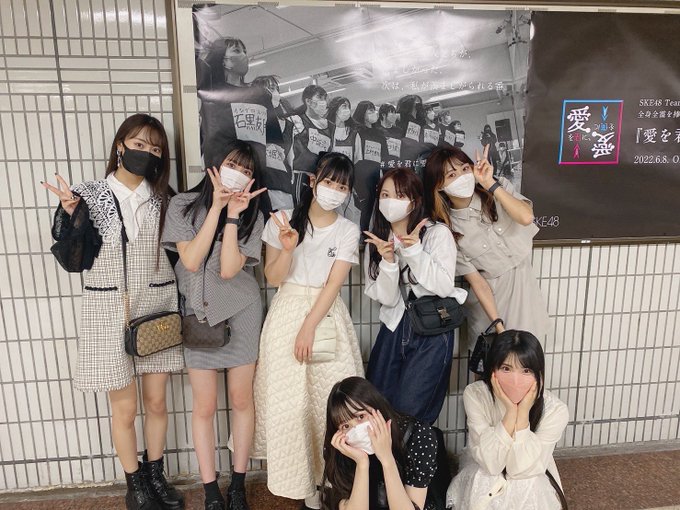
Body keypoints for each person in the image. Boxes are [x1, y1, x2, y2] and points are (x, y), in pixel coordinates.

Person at [41, 114, 184, 510]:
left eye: (155, 149)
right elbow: (75, 262)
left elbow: (180, 256)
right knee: (125, 408)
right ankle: (134, 485)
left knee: (157, 402)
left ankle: (156, 475)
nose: (147, 153)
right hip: (107, 309)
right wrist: (74, 218)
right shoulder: (87, 195)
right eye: (139, 144)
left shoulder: (166, 198)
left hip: (157, 307)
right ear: (120, 146)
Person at [252, 152, 364, 509]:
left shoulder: (347, 230)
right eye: (328, 181)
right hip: (286, 313)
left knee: (331, 401)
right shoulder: (283, 220)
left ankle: (333, 482)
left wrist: (309, 327)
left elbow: (334, 285)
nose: (334, 190)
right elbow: (273, 277)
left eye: (342, 186)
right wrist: (287, 249)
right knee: (292, 404)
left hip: (326, 315)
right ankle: (305, 488)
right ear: (313, 180)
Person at [162, 141, 266, 510]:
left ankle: (238, 485)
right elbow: (191, 261)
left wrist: (234, 216)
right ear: (216, 165)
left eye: (247, 170)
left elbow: (227, 269)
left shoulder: (253, 215)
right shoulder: (182, 205)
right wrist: (217, 209)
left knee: (241, 400)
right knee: (204, 406)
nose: (239, 173)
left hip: (242, 311)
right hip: (199, 315)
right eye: (233, 165)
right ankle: (210, 491)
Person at [363, 168, 467, 425]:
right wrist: (388, 261)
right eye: (385, 195)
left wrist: (414, 252)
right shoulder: (377, 241)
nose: (391, 201)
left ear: (415, 200)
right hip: (393, 327)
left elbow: (442, 286)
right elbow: (387, 298)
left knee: (412, 414)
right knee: (377, 408)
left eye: (400, 195)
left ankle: (412, 454)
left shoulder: (436, 233)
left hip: (432, 330)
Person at [423, 146, 551, 351]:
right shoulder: (448, 229)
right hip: (490, 307)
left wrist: (489, 183)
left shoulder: (498, 188)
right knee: (495, 364)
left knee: (528, 361)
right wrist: (499, 327)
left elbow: (526, 217)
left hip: (524, 293)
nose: (462, 177)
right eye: (452, 175)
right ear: (439, 186)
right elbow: (478, 283)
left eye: (465, 169)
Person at [446, 330, 569, 510]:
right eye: (506, 369)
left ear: (539, 375)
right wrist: (511, 412)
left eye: (526, 370)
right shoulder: (476, 394)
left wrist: (523, 414)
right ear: (492, 371)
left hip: (530, 474)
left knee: (526, 482)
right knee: (487, 477)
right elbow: (491, 463)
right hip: (484, 466)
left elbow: (520, 470)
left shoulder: (556, 410)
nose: (515, 380)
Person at [321, 376, 440, 510]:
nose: (357, 430)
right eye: (346, 426)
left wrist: (387, 459)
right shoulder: (340, 449)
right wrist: (362, 463)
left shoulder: (418, 435)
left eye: (361, 416)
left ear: (377, 408)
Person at [251, 75, 295, 211]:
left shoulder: (288, 125)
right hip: (260, 183)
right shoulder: (252, 123)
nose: (274, 93)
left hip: (283, 184)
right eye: (270, 89)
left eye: (276, 89)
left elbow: (290, 159)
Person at [289, 85, 332, 203]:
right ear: (308, 101)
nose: (323, 102)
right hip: (301, 175)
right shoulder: (296, 121)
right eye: (320, 98)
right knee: (300, 207)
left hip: (321, 177)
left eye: (325, 98)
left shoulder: (330, 126)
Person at [352, 101, 388, 232]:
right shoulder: (356, 132)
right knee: (363, 206)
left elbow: (384, 155)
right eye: (370, 111)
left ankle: (369, 232)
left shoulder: (379, 134)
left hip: (375, 173)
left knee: (373, 205)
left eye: (374, 110)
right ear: (362, 113)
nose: (374, 113)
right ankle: (362, 233)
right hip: (360, 174)